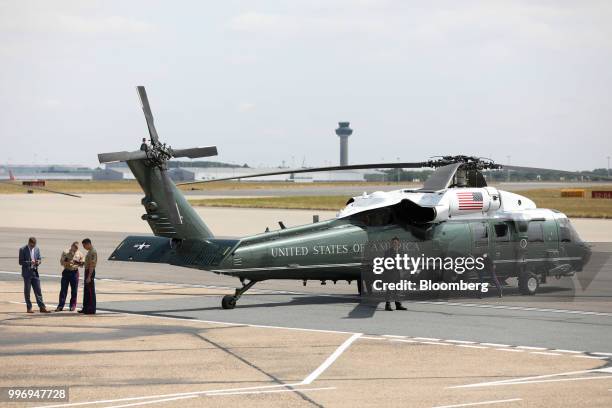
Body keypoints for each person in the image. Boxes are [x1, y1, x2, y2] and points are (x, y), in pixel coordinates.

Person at [18, 237, 50, 313]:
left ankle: (42, 307)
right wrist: (30, 262)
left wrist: (38, 262)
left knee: (38, 290)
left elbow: (39, 259)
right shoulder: (22, 249)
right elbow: (20, 262)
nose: (33, 247)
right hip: (27, 273)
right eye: (32, 245)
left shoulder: (37, 249)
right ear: (29, 243)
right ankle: (29, 308)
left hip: (35, 272)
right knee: (27, 291)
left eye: (34, 245)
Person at [56, 241, 84, 312]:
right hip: (66, 271)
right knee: (63, 290)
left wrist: (78, 263)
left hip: (74, 272)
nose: (75, 249)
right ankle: (60, 305)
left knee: (74, 290)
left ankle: (72, 305)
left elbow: (82, 264)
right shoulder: (65, 252)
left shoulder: (79, 253)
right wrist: (68, 261)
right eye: (75, 247)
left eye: (77, 248)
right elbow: (61, 262)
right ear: (72, 246)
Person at [383, 237, 407, 311]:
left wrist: (404, 270)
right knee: (390, 290)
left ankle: (398, 305)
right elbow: (385, 263)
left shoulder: (402, 251)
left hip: (399, 273)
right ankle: (387, 305)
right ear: (391, 243)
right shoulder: (388, 252)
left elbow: (403, 262)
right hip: (391, 273)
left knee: (398, 290)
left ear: (398, 243)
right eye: (393, 243)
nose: (395, 244)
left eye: (396, 243)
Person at [79, 238, 97, 315]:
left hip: (90, 272)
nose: (84, 247)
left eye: (84, 245)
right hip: (87, 271)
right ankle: (86, 308)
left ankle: (91, 309)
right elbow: (87, 263)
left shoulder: (93, 252)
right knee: (86, 291)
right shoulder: (89, 252)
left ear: (88, 244)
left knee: (90, 291)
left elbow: (92, 265)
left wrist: (89, 276)